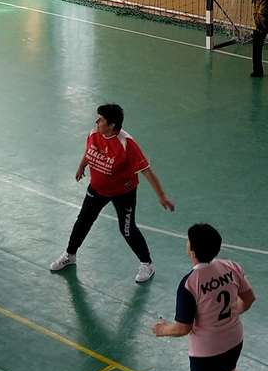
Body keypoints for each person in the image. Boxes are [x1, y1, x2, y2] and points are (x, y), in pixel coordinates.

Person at [153, 223, 257, 371]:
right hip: (234, 340)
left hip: (206, 354)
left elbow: (183, 328)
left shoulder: (190, 284)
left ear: (192, 250)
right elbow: (249, 299)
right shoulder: (231, 267)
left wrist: (162, 330)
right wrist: (230, 315)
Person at [50, 104, 175, 283]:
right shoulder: (94, 134)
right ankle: (70, 255)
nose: (96, 121)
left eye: (101, 119)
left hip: (123, 193)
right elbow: (89, 151)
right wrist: (82, 166)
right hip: (97, 189)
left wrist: (161, 196)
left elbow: (146, 170)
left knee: (127, 229)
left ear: (112, 125)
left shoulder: (127, 144)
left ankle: (147, 264)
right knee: (83, 221)